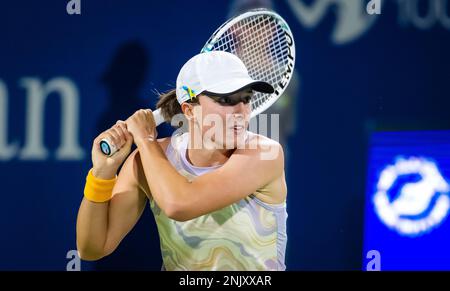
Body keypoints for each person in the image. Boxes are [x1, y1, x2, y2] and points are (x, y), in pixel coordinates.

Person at [76, 51, 288, 271]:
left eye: (246, 99)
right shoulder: (148, 159)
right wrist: (102, 174)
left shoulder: (264, 153)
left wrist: (146, 140)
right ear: (189, 110)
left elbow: (178, 205)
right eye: (226, 100)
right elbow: (92, 248)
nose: (241, 112)